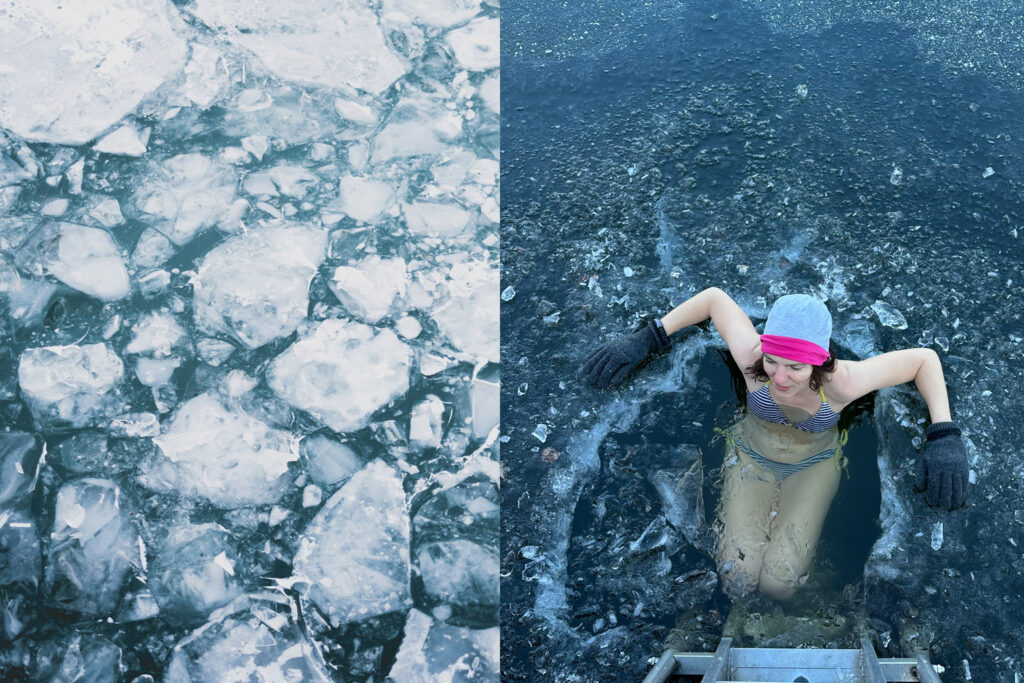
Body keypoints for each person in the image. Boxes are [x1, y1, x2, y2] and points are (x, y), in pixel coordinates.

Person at [580, 287, 968, 600]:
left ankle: (824, 594)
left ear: (820, 362)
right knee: (737, 578)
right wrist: (649, 337)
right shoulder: (753, 359)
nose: (780, 378)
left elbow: (924, 361)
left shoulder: (843, 383)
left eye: (795, 367)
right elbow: (714, 299)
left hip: (812, 466)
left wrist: (944, 433)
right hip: (750, 457)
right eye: (773, 361)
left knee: (779, 584)